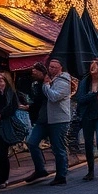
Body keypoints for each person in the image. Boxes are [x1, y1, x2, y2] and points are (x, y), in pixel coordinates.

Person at [27, 57, 71, 185]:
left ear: (60, 68)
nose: (51, 69)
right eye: (50, 67)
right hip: (44, 119)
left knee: (58, 148)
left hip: (58, 119)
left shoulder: (63, 80)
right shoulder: (47, 80)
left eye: (54, 67)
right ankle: (40, 169)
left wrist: (46, 85)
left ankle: (61, 175)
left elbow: (54, 96)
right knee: (32, 142)